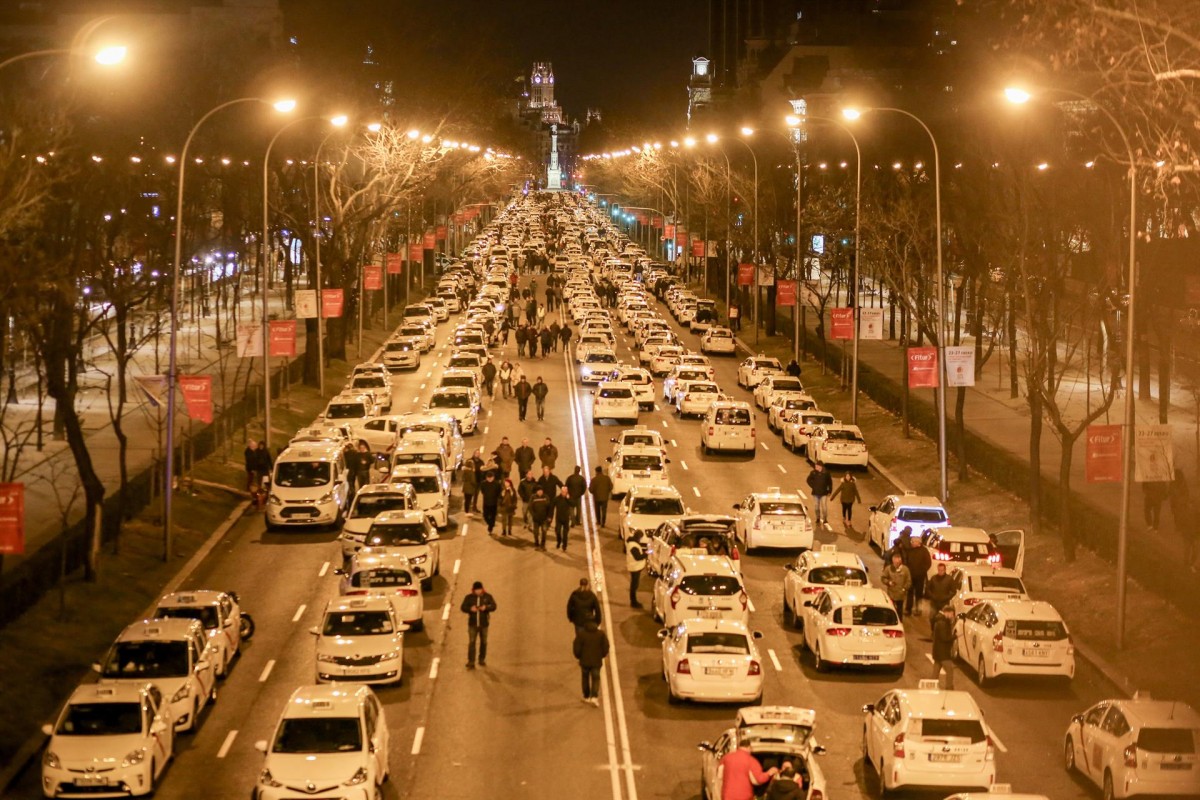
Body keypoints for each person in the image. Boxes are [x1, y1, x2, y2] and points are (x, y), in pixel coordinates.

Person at [460, 581, 497, 669]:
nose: (478, 591)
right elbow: (463, 607)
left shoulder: (487, 597)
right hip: (472, 624)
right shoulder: (469, 598)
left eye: (479, 589)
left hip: (484, 624)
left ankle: (481, 659)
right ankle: (471, 661)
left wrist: (486, 607)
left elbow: (494, 606)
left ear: (482, 589)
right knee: (472, 642)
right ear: (473, 590)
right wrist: (470, 609)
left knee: (484, 642)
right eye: (476, 590)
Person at [573, 619, 609, 706]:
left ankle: (586, 696)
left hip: (584, 661)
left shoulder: (582, 635)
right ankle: (594, 696)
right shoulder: (601, 634)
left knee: (585, 678)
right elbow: (606, 647)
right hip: (596, 661)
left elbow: (576, 648)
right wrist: (602, 655)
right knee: (596, 678)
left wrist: (579, 657)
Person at [905, 533, 932, 616]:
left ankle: (918, 609)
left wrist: (922, 571)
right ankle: (908, 609)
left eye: (913, 541)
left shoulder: (924, 551)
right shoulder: (909, 550)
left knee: (918, 594)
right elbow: (906, 560)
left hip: (920, 576)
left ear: (918, 542)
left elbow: (928, 563)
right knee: (909, 592)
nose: (911, 543)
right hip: (910, 575)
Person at [931, 604, 956, 689]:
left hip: (938, 651)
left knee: (936, 671)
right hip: (943, 652)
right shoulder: (942, 623)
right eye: (952, 614)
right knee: (949, 670)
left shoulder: (940, 620)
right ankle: (949, 687)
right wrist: (954, 637)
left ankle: (932, 686)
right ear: (947, 613)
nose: (952, 617)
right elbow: (944, 638)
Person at [882, 551, 913, 619]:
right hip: (891, 594)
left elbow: (909, 581)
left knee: (899, 611)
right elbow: (883, 578)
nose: (896, 564)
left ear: (900, 561)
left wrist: (904, 589)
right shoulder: (888, 569)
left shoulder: (905, 570)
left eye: (897, 562)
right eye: (895, 562)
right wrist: (888, 582)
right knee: (890, 610)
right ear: (893, 560)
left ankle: (899, 622)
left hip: (900, 595)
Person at [626, 530, 647, 608]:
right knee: (634, 585)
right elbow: (637, 557)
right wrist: (646, 554)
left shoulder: (632, 543)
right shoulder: (633, 545)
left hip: (635, 566)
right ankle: (633, 602)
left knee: (634, 584)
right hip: (634, 567)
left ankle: (633, 601)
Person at [553, 486, 573, 550]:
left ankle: (564, 545)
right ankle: (559, 541)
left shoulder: (568, 498)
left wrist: (568, 499)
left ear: (567, 492)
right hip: (558, 518)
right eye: (563, 492)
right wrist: (549, 516)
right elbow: (552, 507)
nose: (564, 493)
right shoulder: (557, 499)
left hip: (566, 518)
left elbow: (573, 504)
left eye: (565, 492)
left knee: (565, 533)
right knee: (557, 531)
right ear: (561, 492)